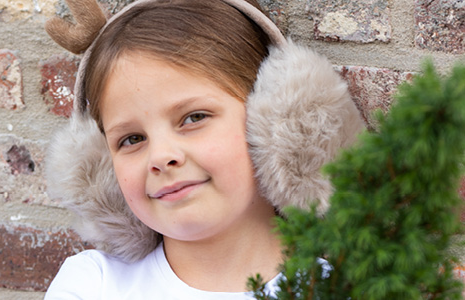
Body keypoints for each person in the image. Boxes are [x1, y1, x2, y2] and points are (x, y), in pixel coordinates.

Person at [43, 0, 364, 298]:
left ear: (284, 127)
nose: (160, 157)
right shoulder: (92, 285)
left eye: (194, 118)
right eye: (132, 139)